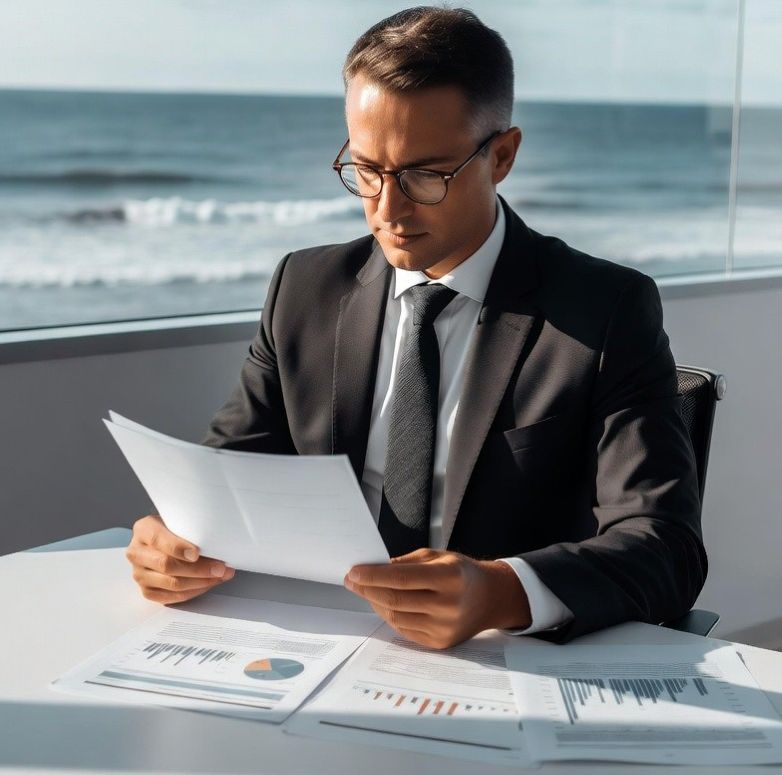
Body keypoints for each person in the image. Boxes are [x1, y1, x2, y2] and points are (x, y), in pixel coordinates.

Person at [125, 6, 706, 648]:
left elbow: (667, 547)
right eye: (367, 170)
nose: (388, 208)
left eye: (425, 174)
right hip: (318, 642)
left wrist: (504, 591)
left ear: (503, 155)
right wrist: (178, 536)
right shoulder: (305, 288)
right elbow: (232, 467)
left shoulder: (605, 309)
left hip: (501, 664)